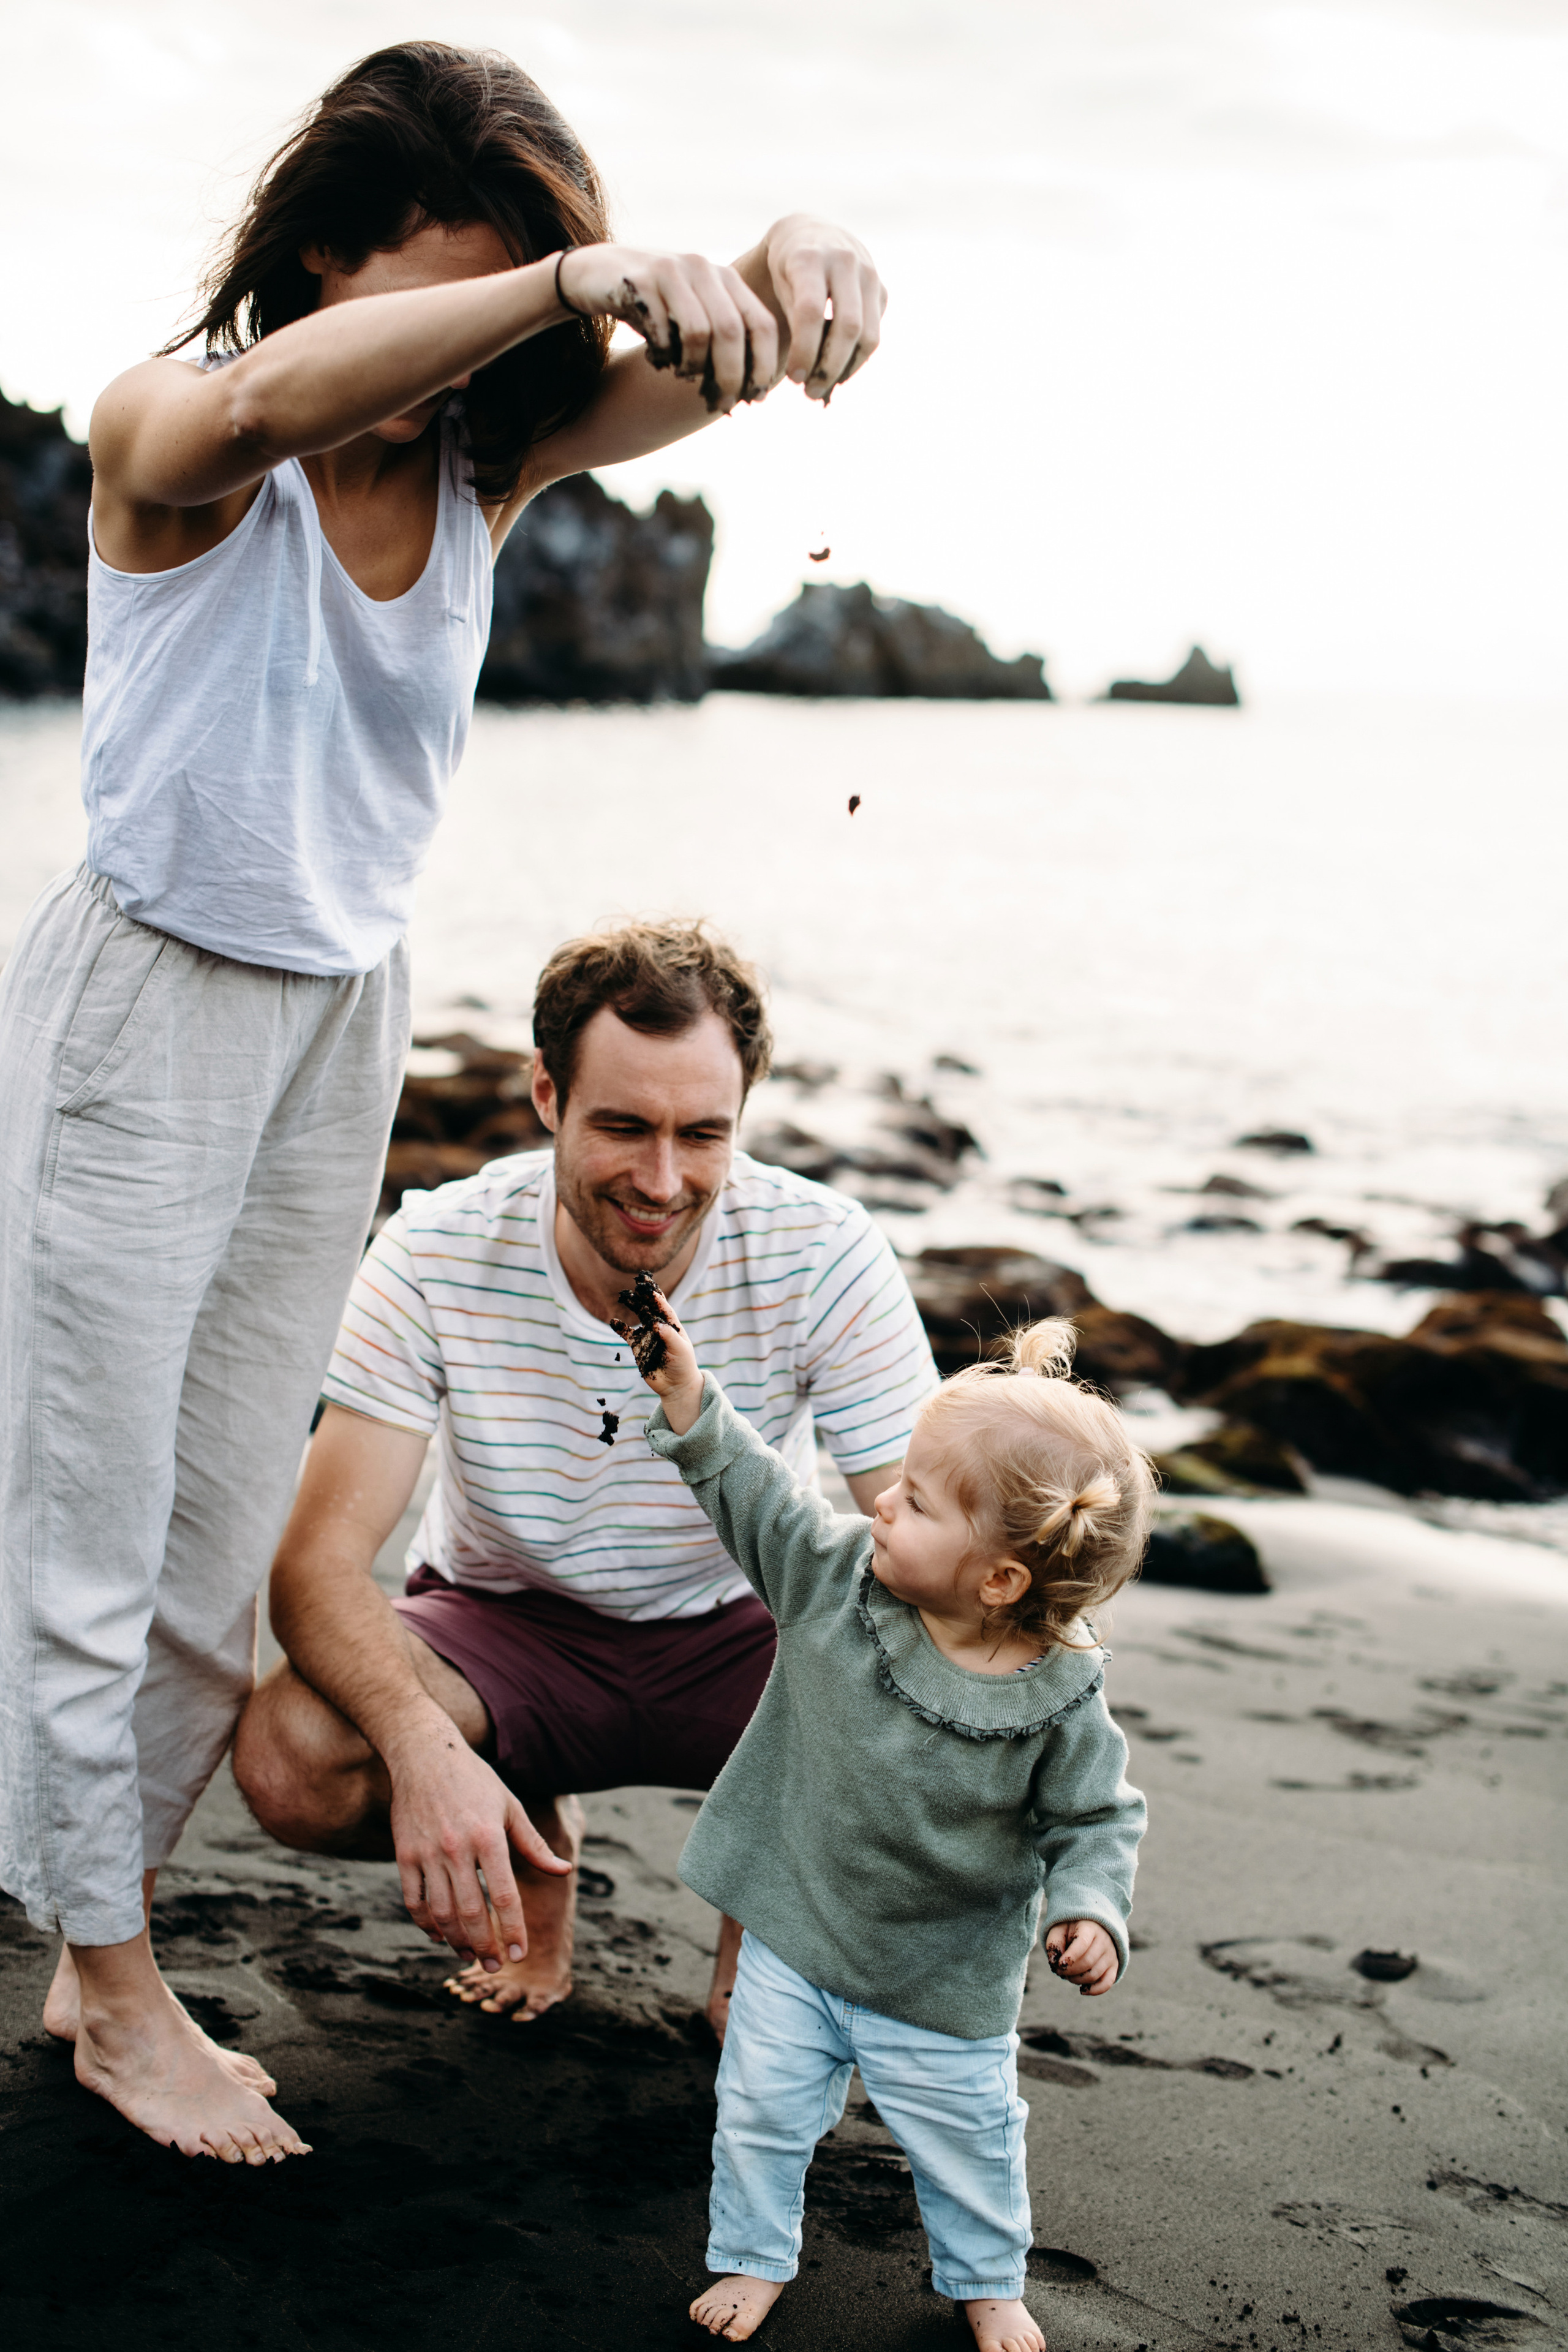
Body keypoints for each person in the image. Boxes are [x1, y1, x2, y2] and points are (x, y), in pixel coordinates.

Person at [0, 38, 888, 2166]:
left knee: (220, 1535)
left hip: (341, 1018)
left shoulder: (489, 470)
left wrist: (796, 250)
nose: (475, 340)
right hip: (146, 997)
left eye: (512, 286)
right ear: (324, 257)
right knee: (88, 1520)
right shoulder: (172, 433)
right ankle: (114, 1980)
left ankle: (96, 1940)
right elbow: (266, 406)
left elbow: (724, 358)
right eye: (444, 287)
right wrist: (562, 284)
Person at [233, 918, 937, 2046]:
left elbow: (925, 1543)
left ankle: (761, 1951)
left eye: (702, 1134)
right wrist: (423, 1753)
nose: (662, 1181)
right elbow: (314, 1568)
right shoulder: (435, 1251)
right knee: (289, 1760)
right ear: (548, 1095)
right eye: (622, 1126)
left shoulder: (823, 1252)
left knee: (934, 1704)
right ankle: (534, 1847)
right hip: (502, 1631)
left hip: (749, 1637)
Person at [627, 1292, 1150, 2352]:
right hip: (797, 1934)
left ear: (1000, 1578)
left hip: (942, 1974)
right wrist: (691, 1401)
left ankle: (986, 2281)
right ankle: (752, 2256)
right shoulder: (833, 1580)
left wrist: (1090, 1909)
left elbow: (1097, 1819)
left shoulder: (1061, 1695)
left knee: (970, 2139)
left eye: (914, 1501)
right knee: (760, 2113)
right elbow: (759, 1498)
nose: (881, 1508)